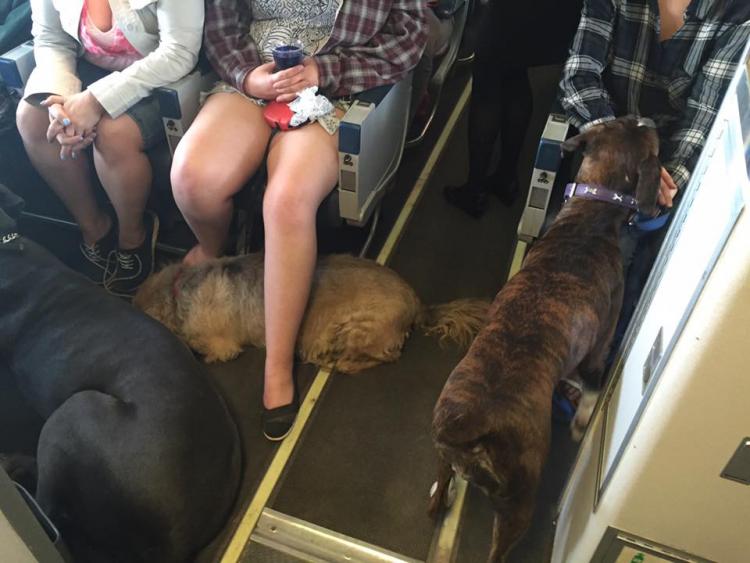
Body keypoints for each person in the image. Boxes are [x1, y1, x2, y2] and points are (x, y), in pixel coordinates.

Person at [170, 0, 427, 441]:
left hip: (334, 83)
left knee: (286, 202)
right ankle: (215, 253)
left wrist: (326, 72)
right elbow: (222, 21)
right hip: (257, 73)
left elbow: (409, 40)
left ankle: (277, 363)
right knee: (193, 180)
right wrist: (247, 74)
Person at [559, 0, 750, 366]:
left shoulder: (738, 14)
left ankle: (593, 368)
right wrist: (621, 152)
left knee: (625, 286)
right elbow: (580, 75)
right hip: (605, 153)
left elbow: (702, 115)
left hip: (660, 171)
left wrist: (666, 178)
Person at [16, 0, 204, 297]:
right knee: (33, 119)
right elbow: (52, 40)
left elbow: (179, 52)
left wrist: (96, 101)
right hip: (91, 69)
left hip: (162, 74)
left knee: (113, 134)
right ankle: (95, 230)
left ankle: (133, 237)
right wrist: (62, 102)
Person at [443, 0, 583, 218]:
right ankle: (506, 177)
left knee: (486, 86)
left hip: (513, 11)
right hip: (558, 12)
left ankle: (475, 190)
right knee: (516, 73)